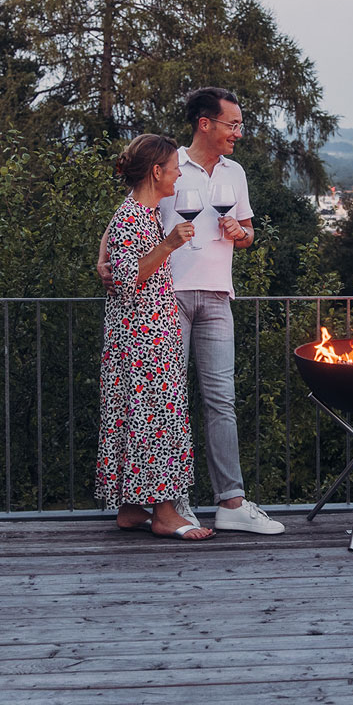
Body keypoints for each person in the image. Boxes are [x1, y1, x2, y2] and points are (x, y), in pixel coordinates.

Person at [100, 88, 284, 534]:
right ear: (207, 123)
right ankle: (171, 507)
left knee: (220, 401)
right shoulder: (169, 164)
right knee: (163, 403)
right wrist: (102, 260)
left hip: (218, 294)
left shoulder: (234, 173)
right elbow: (124, 217)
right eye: (232, 124)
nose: (238, 132)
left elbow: (249, 234)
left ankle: (231, 502)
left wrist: (240, 233)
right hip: (169, 297)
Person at [97, 133, 214, 541]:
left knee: (139, 417)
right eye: (175, 167)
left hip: (147, 332)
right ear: (156, 171)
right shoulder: (135, 217)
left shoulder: (141, 211)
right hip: (143, 337)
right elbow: (128, 279)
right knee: (157, 418)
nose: (180, 173)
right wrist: (168, 245)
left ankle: (131, 509)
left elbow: (114, 232)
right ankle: (164, 513)